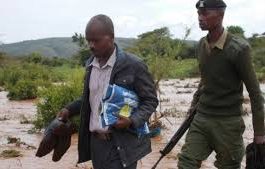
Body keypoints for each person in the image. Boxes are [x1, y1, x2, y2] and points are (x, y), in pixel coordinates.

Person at [57, 14, 158, 169]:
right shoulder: (91, 65)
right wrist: (69, 109)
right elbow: (92, 99)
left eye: (96, 40)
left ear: (111, 37)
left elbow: (150, 100)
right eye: (88, 40)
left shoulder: (133, 65)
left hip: (122, 144)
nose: (91, 45)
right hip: (97, 144)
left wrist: (131, 120)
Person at [177, 0, 265, 168]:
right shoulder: (201, 45)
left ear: (221, 15)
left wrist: (260, 135)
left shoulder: (239, 49)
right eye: (198, 14)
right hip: (201, 118)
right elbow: (204, 81)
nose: (200, 18)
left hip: (228, 123)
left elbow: (255, 93)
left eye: (205, 13)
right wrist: (192, 108)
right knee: (186, 162)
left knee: (229, 166)